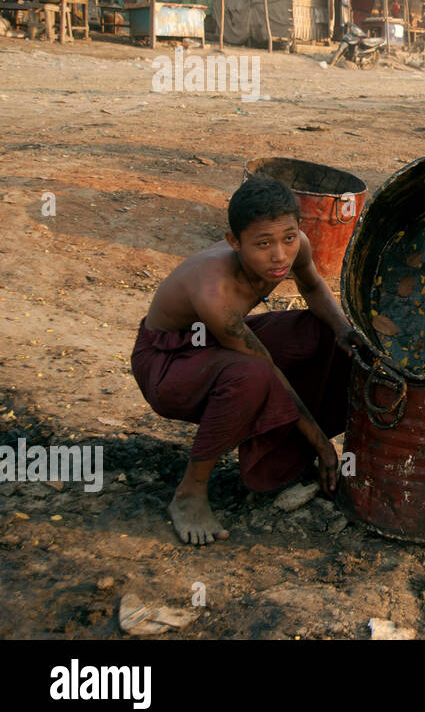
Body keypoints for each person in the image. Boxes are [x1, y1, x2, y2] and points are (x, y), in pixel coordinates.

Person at [129, 177, 360, 546]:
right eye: (263, 244)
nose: (280, 255)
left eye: (288, 237)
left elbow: (314, 288)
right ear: (233, 242)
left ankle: (287, 453)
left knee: (323, 333)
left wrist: (345, 331)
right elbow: (265, 368)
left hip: (220, 345)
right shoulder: (213, 289)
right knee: (251, 377)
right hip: (167, 362)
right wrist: (320, 441)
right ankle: (190, 493)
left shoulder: (295, 247)